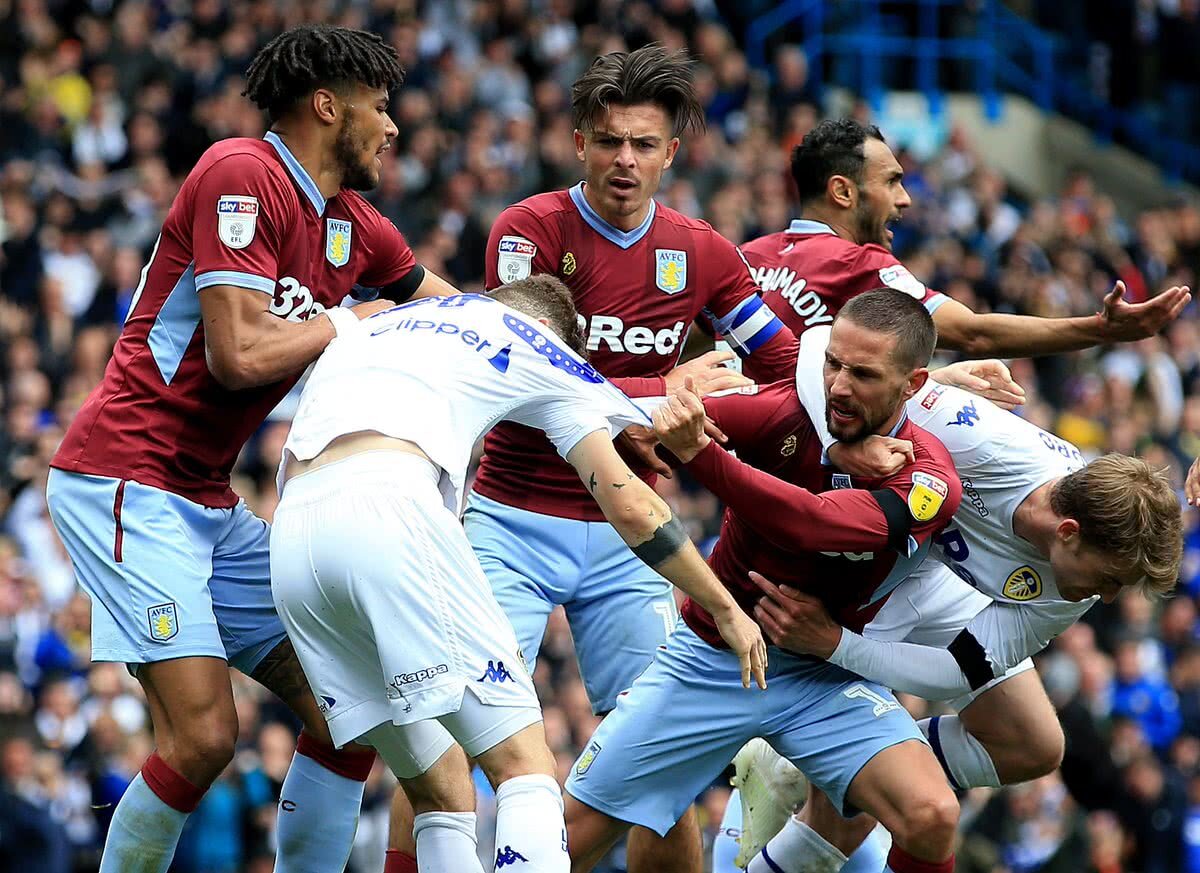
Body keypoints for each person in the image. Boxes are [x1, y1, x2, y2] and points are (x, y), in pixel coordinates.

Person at [43, 24, 461, 873]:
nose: (392, 129)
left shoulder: (358, 227)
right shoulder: (242, 173)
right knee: (204, 736)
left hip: (204, 495)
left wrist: (605, 386)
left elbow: (465, 323)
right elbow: (237, 355)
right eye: (380, 109)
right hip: (125, 476)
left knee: (348, 702)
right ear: (327, 104)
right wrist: (349, 321)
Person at [384, 44, 797, 873]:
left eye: (644, 144)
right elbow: (522, 371)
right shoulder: (528, 232)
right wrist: (661, 389)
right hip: (513, 518)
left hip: (630, 542)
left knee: (658, 764)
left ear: (672, 153)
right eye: (609, 141)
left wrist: (705, 400)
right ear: (579, 142)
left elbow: (783, 366)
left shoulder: (705, 253)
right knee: (446, 733)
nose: (625, 160)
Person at [269, 275, 767, 873]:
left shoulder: (379, 326)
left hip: (294, 535)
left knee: (439, 782)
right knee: (526, 766)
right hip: (389, 510)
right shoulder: (537, 344)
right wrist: (724, 608)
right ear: (565, 337)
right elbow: (633, 507)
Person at [714, 324, 1184, 873]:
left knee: (1031, 745)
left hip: (933, 575)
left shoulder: (1074, 584)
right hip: (860, 564)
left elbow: (958, 670)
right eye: (1110, 580)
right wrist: (844, 443)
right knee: (891, 799)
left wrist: (835, 645)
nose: (1107, 598)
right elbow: (818, 346)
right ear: (1069, 531)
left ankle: (809, 768)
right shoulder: (983, 440)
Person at [562, 290, 964, 873]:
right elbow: (637, 424)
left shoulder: (930, 476)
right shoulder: (785, 415)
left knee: (933, 815)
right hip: (710, 661)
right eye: (832, 364)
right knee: (567, 840)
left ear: (912, 383)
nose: (839, 387)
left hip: (824, 677)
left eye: (864, 374)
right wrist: (673, 396)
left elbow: (811, 524)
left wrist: (701, 453)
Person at [743, 117, 1190, 356]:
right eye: (891, 183)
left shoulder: (744, 259)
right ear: (842, 191)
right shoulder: (860, 265)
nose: (906, 200)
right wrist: (1100, 329)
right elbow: (977, 334)